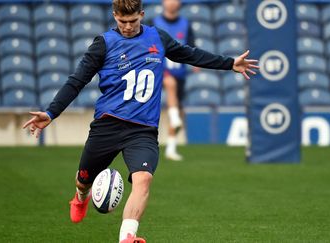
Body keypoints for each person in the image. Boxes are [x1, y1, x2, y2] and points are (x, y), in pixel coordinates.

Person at [23, 0, 258, 242]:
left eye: (132, 21)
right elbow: (76, 81)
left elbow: (190, 54)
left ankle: (127, 237)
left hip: (143, 130)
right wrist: (51, 113)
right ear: (114, 16)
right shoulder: (103, 44)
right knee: (84, 179)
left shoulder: (158, 38)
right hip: (108, 125)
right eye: (122, 21)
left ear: (142, 15)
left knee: (143, 179)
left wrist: (229, 63)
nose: (127, 26)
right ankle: (80, 197)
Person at [153, 0, 195, 161]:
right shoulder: (155, 23)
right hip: (160, 69)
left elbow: (191, 47)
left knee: (179, 108)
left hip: (180, 71)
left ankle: (171, 147)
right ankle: (175, 116)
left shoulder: (185, 24)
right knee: (170, 84)